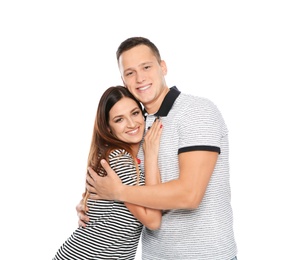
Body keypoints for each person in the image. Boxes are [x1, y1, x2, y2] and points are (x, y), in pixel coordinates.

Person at [77, 37, 238, 260]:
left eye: (146, 67)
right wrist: (95, 206)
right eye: (130, 72)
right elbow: (127, 180)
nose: (140, 78)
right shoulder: (137, 126)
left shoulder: (196, 112)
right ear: (124, 80)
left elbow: (189, 195)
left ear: (162, 67)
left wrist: (118, 193)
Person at [53, 86, 163, 260]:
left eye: (134, 113)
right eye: (119, 119)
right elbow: (153, 220)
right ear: (108, 128)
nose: (132, 124)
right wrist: (151, 156)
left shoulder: (114, 154)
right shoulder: (119, 159)